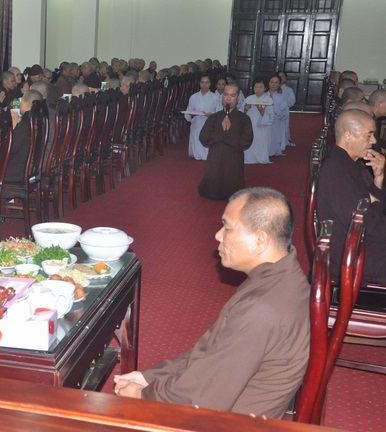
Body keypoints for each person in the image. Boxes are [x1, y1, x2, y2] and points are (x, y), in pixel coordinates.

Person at [114, 187, 310, 419]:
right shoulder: (282, 277)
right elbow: (212, 353)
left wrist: (143, 395)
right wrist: (151, 377)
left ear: (259, 240)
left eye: (227, 227)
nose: (218, 235)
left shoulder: (261, 310)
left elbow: (200, 400)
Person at [317, 109, 386, 285]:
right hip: (350, 256)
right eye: (369, 135)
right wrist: (374, 204)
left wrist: (378, 178)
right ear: (348, 135)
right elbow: (367, 224)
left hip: (359, 244)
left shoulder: (347, 163)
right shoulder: (336, 172)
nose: (374, 141)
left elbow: (369, 207)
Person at [197, 83, 253, 200]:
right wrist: (222, 133)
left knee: (234, 192)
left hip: (233, 158)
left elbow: (246, 141)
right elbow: (203, 138)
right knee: (211, 192)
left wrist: (225, 136)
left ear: (238, 98)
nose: (228, 98)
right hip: (215, 157)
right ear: (222, 97)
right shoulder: (214, 117)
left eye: (232, 95)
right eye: (226, 95)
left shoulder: (244, 119)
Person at [4, 90, 42, 183]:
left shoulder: (25, 124)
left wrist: (14, 129)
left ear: (27, 104)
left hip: (20, 171)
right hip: (34, 168)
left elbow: (9, 148)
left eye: (21, 102)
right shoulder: (40, 120)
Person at [184, 74, 221, 161]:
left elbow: (220, 113)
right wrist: (192, 114)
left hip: (210, 123)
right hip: (197, 122)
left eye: (207, 82)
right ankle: (197, 152)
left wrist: (212, 114)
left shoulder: (215, 97)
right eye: (202, 82)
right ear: (199, 83)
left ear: (210, 84)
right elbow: (188, 112)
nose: (204, 85)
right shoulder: (194, 97)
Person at [243, 77, 273, 164]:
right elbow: (242, 113)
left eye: (261, 87)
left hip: (262, 126)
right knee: (250, 140)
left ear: (265, 88)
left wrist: (263, 112)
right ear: (253, 88)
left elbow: (271, 117)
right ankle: (249, 158)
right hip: (250, 124)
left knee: (261, 141)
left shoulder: (268, 100)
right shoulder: (249, 99)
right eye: (256, 87)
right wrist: (246, 109)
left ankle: (262, 158)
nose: (258, 89)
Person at [267, 74, 289, 157]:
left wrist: (273, 104)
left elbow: (284, 114)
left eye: (276, 83)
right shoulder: (263, 95)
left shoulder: (281, 98)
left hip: (276, 122)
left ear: (279, 84)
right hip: (264, 122)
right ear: (268, 83)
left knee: (274, 139)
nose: (273, 84)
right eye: (272, 82)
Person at [277, 71, 296, 146]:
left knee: (284, 126)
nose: (281, 78)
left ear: (285, 79)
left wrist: (282, 102)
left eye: (282, 76)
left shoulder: (288, 90)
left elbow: (292, 101)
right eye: (279, 76)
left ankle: (284, 140)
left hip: (284, 111)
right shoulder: (273, 88)